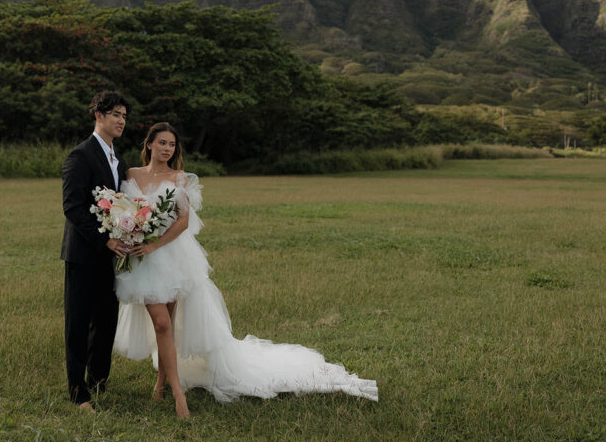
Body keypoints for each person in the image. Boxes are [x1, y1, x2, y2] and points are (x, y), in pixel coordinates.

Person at [114, 123, 378, 418]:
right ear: (149, 144)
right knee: (161, 324)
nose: (167, 149)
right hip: (144, 260)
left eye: (172, 145)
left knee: (170, 324)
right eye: (161, 143)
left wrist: (155, 244)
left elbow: (183, 222)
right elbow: (125, 212)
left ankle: (163, 382)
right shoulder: (132, 175)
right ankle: (178, 394)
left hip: (172, 256)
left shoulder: (178, 178)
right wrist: (133, 236)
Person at [61, 91, 130, 411]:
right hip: (84, 253)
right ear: (98, 115)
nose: (121, 120)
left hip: (112, 255)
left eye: (124, 116)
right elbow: (73, 208)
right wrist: (104, 240)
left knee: (106, 320)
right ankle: (79, 394)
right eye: (115, 114)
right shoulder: (80, 156)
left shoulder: (119, 160)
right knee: (79, 322)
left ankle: (98, 380)